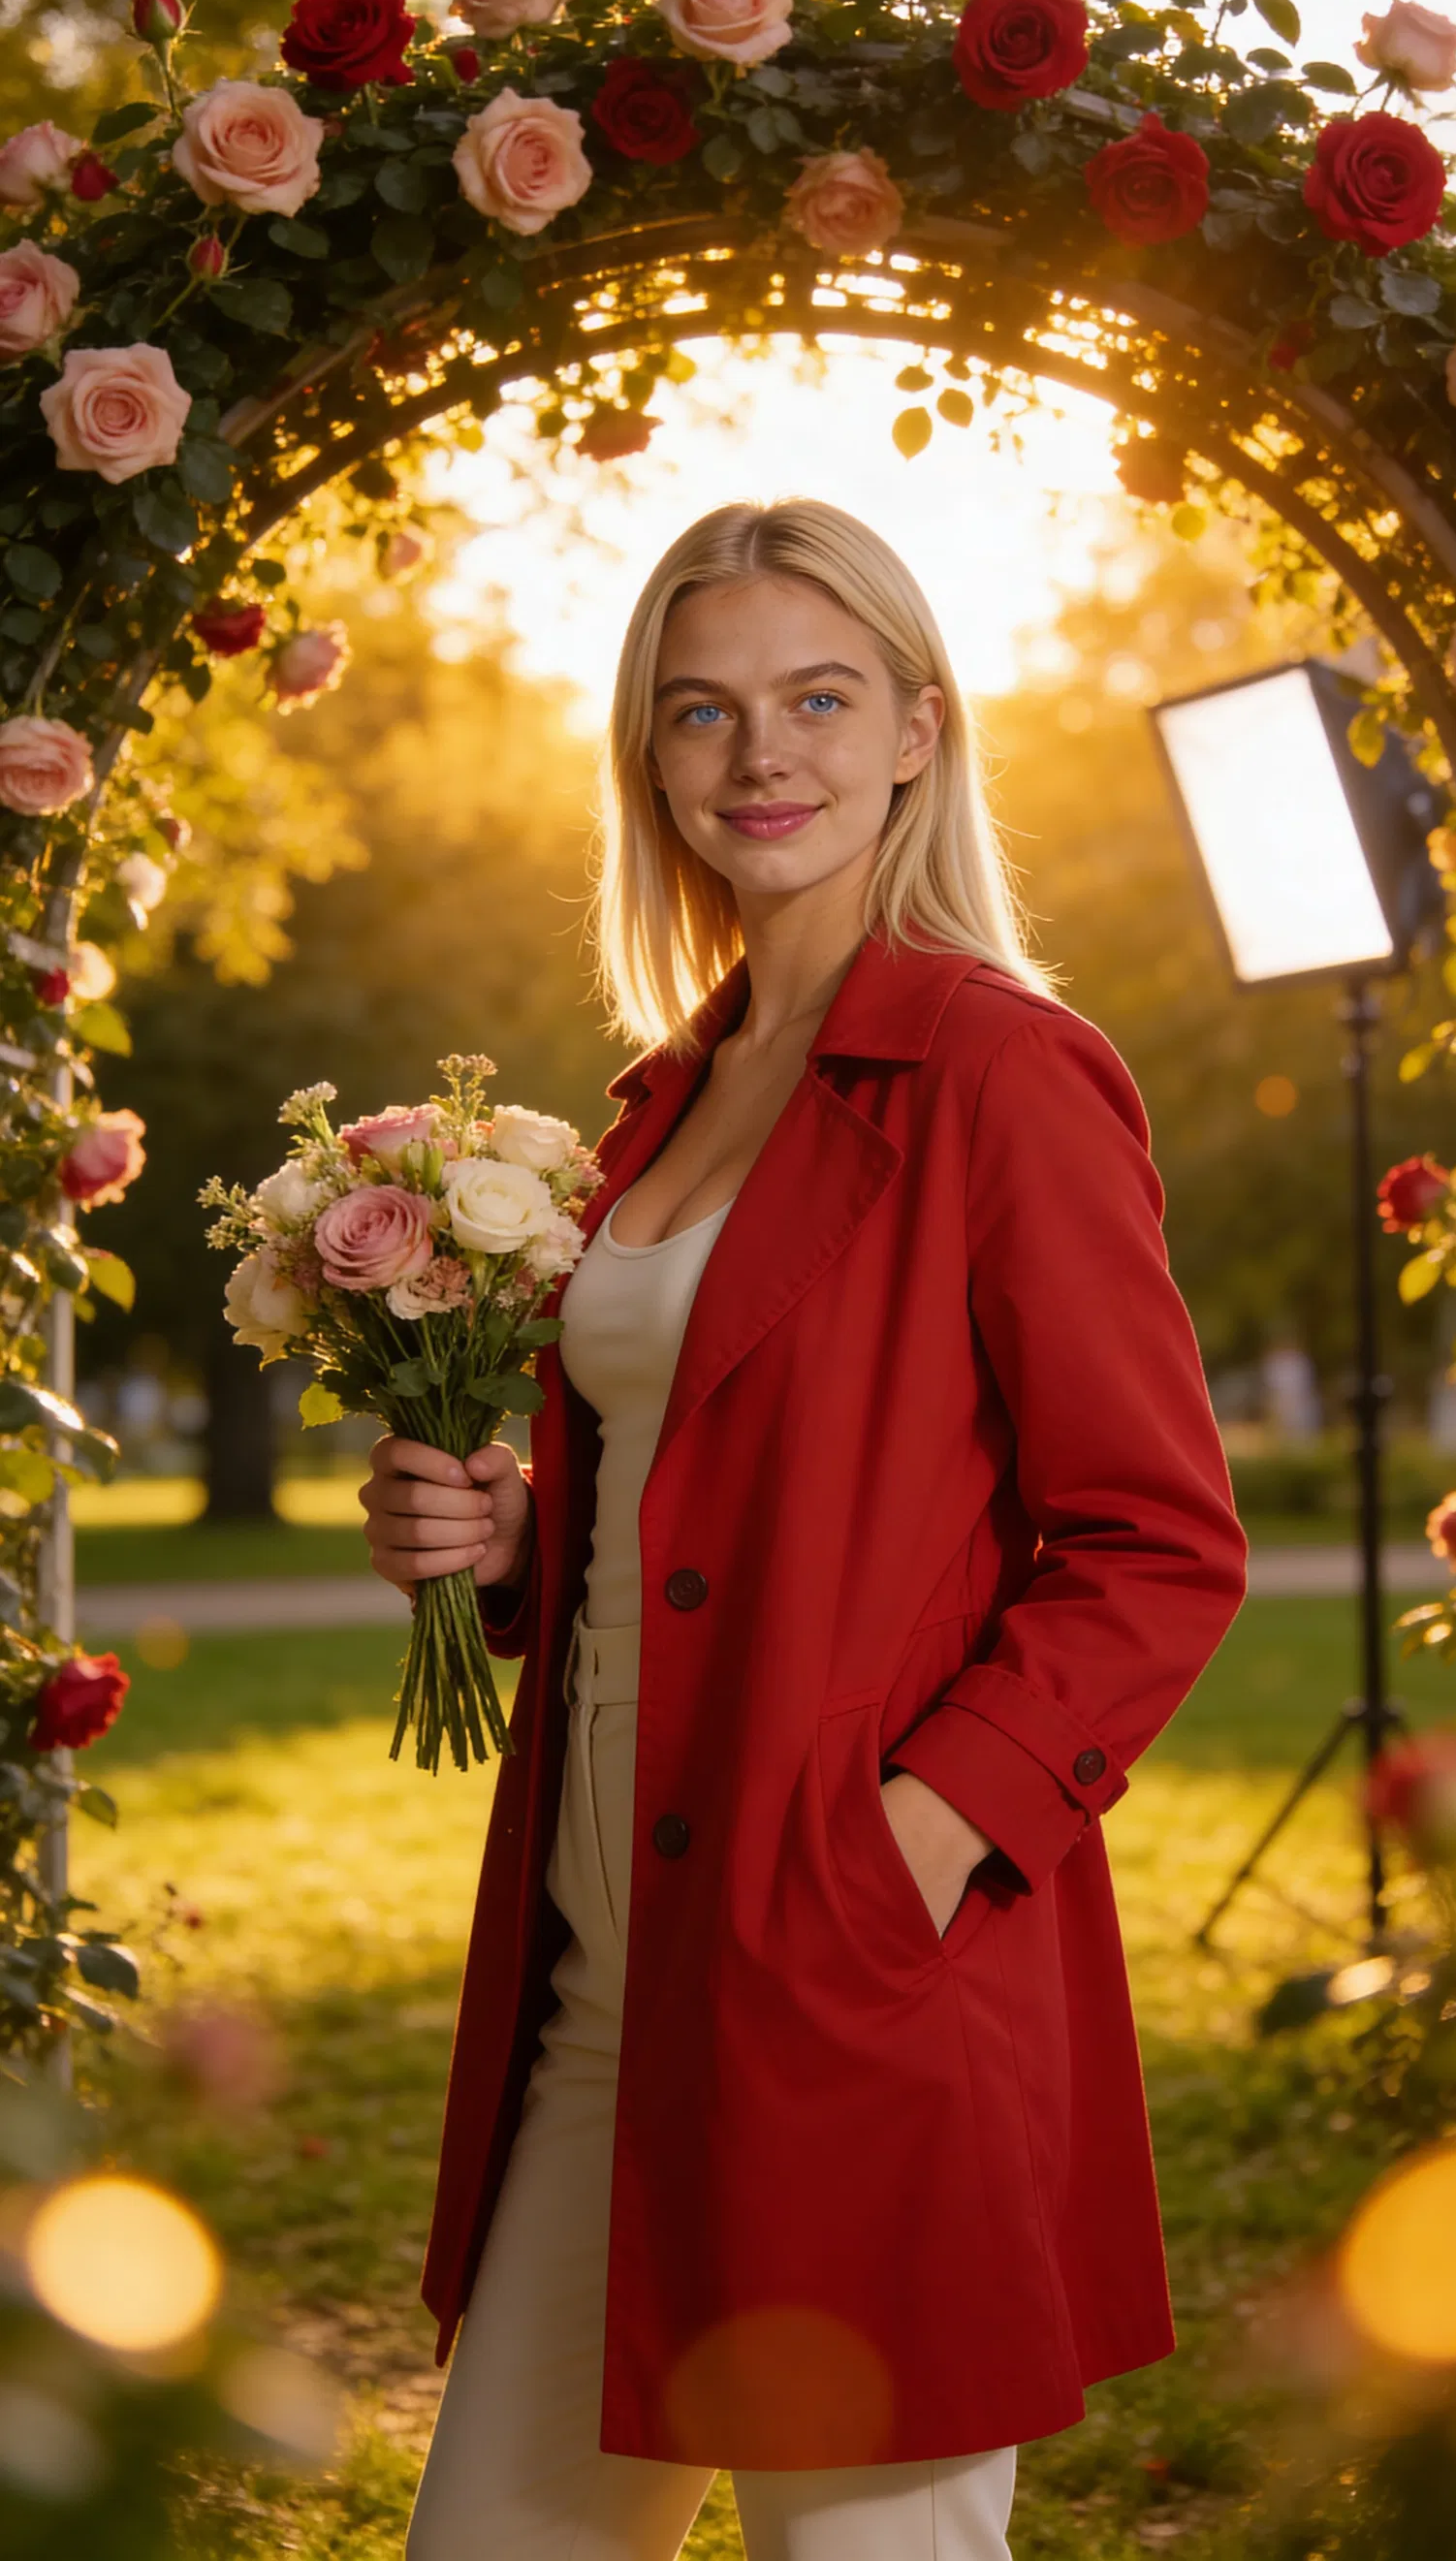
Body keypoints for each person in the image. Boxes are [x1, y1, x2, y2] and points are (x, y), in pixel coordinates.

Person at [363, 499, 1248, 2561]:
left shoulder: (999, 1072)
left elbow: (1150, 1539)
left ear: (919, 731)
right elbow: (688, 1496)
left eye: (815, 698)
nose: (760, 753)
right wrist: (497, 1543)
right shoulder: (656, 1102)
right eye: (704, 712)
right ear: (650, 761)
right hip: (602, 1996)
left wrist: (907, 1849)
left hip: (849, 1988)